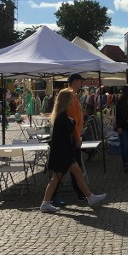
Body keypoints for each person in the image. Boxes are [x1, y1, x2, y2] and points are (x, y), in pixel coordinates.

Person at [40, 88, 106, 213]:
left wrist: (72, 121)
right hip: (63, 154)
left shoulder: (62, 116)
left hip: (64, 153)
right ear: (66, 100)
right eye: (71, 98)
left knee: (76, 174)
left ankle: (89, 197)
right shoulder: (62, 117)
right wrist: (73, 121)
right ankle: (45, 203)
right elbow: (70, 128)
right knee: (57, 178)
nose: (73, 100)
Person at [51, 74, 85, 207]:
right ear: (75, 81)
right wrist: (77, 138)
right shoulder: (70, 97)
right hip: (70, 139)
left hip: (73, 138)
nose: (81, 84)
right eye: (80, 81)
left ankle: (83, 193)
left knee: (73, 169)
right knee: (62, 170)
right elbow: (72, 121)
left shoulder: (73, 96)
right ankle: (81, 193)